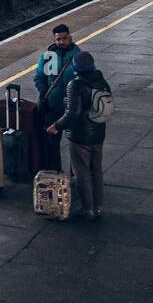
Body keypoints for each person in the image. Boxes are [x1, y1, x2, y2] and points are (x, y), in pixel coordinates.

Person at [47, 51, 111, 219]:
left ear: (76, 66)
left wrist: (56, 126)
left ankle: (87, 209)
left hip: (80, 136)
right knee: (96, 170)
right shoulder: (102, 81)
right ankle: (98, 207)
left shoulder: (75, 85)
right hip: (98, 134)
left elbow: (72, 113)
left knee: (82, 172)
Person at [34, 23, 80, 169]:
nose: (61, 42)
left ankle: (77, 174)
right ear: (54, 40)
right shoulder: (48, 57)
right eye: (58, 39)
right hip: (53, 107)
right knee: (51, 143)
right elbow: (39, 77)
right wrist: (44, 92)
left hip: (73, 107)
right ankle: (55, 173)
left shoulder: (78, 56)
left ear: (70, 38)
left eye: (64, 38)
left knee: (77, 143)